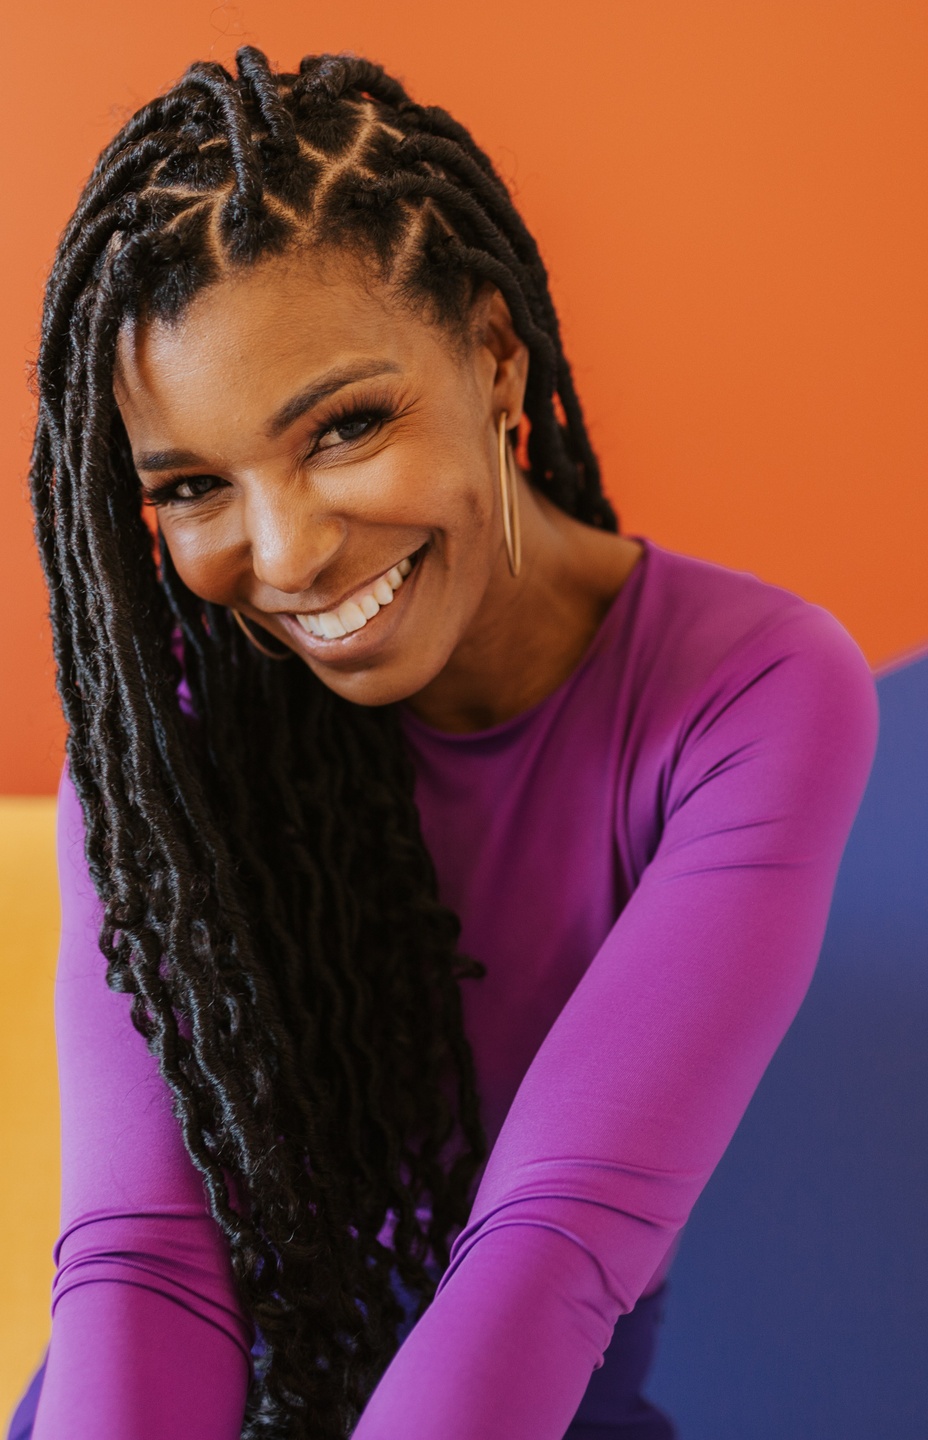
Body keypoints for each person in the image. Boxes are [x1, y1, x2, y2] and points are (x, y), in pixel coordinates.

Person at [8, 46, 878, 1440]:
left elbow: (549, 1246)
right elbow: (148, 1256)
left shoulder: (752, 695)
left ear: (492, 353)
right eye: (195, 486)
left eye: (345, 427)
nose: (286, 554)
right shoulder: (161, 732)